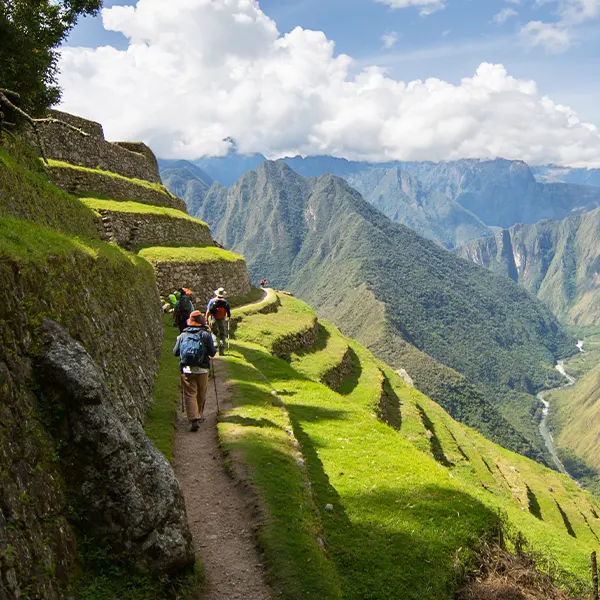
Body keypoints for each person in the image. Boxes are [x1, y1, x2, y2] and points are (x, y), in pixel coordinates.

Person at [173, 311, 216, 431]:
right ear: (201, 321)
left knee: (190, 393)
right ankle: (199, 415)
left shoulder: (183, 335)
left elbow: (175, 352)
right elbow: (212, 352)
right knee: (201, 392)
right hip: (202, 369)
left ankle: (193, 418)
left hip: (186, 369)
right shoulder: (206, 335)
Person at [206, 287, 231, 356]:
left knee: (213, 332)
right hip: (222, 319)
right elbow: (228, 313)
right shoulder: (225, 302)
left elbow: (208, 311)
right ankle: (221, 351)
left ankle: (215, 344)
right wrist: (228, 318)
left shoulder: (212, 301)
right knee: (222, 334)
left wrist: (207, 320)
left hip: (213, 318)